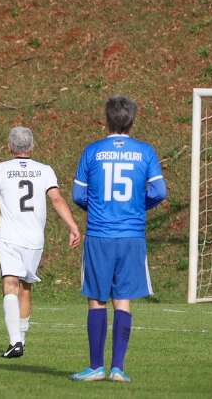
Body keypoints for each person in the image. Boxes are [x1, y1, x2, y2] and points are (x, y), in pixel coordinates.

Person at [70, 95, 167, 382]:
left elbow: (78, 195)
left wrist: (98, 208)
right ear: (132, 120)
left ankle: (96, 366)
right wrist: (139, 206)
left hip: (100, 234)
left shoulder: (93, 151)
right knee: (123, 299)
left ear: (106, 119)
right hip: (131, 236)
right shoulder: (145, 152)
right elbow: (159, 191)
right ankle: (118, 368)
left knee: (97, 300)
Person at [0, 126, 81, 358]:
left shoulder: (0, 169)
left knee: (10, 285)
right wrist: (73, 226)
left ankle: (16, 341)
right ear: (32, 146)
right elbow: (56, 198)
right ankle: (20, 341)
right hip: (35, 238)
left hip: (9, 237)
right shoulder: (44, 170)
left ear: (10, 147)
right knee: (25, 288)